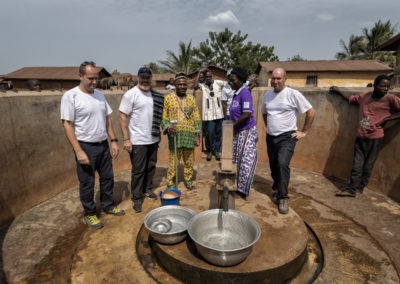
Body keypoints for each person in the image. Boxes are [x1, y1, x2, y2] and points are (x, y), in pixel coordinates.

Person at [60, 61, 124, 229]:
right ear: (80, 76)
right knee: (87, 182)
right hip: (85, 146)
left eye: (96, 78)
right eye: (90, 78)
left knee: (108, 178)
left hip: (103, 145)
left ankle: (108, 205)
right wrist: (79, 150)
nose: (94, 82)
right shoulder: (70, 96)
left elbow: (107, 118)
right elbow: (67, 124)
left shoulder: (99, 95)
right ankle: (89, 214)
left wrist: (114, 141)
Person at [330, 75, 400, 197]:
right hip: (360, 136)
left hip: (375, 138)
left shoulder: (391, 99)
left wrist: (386, 120)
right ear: (375, 85)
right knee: (357, 165)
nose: (385, 89)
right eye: (382, 86)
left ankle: (360, 187)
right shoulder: (365, 96)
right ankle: (351, 189)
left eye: (387, 86)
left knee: (368, 166)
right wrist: (338, 91)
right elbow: (351, 99)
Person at [261, 67, 315, 214]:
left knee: (282, 163)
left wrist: (304, 132)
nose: (275, 81)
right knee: (273, 165)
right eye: (273, 78)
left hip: (287, 137)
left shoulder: (293, 94)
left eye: (279, 78)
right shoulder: (267, 95)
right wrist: (269, 128)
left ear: (285, 79)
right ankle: (278, 188)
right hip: (271, 136)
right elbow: (265, 113)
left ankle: (283, 197)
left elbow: (311, 112)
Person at [119, 67, 164, 213]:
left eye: (147, 77)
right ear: (138, 77)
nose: (145, 80)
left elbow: (157, 116)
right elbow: (122, 116)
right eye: (142, 77)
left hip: (153, 138)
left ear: (151, 78)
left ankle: (147, 190)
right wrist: (126, 139)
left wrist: (158, 134)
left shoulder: (155, 95)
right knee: (138, 170)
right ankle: (136, 198)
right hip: (137, 140)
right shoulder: (131, 94)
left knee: (151, 167)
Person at [161, 73, 201, 190]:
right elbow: (164, 117)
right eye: (180, 84)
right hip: (175, 135)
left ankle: (188, 180)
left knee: (189, 161)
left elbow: (196, 118)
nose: (183, 86)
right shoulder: (168, 99)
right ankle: (171, 182)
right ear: (175, 85)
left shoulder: (191, 99)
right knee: (174, 161)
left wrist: (197, 135)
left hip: (189, 135)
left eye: (185, 84)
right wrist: (168, 128)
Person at [228, 67, 258, 199]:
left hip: (247, 130)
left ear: (240, 80)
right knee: (240, 161)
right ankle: (241, 187)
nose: (230, 82)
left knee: (246, 161)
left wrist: (231, 126)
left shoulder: (245, 93)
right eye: (229, 79)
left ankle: (243, 191)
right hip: (239, 131)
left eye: (232, 80)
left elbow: (246, 114)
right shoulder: (237, 93)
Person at [196, 68, 225, 161]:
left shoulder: (218, 83)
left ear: (211, 77)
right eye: (206, 77)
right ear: (204, 78)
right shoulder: (202, 86)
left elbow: (229, 85)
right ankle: (209, 151)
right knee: (209, 133)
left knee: (218, 133)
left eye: (209, 76)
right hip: (209, 115)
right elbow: (195, 86)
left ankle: (216, 151)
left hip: (219, 113)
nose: (208, 78)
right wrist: (199, 72)